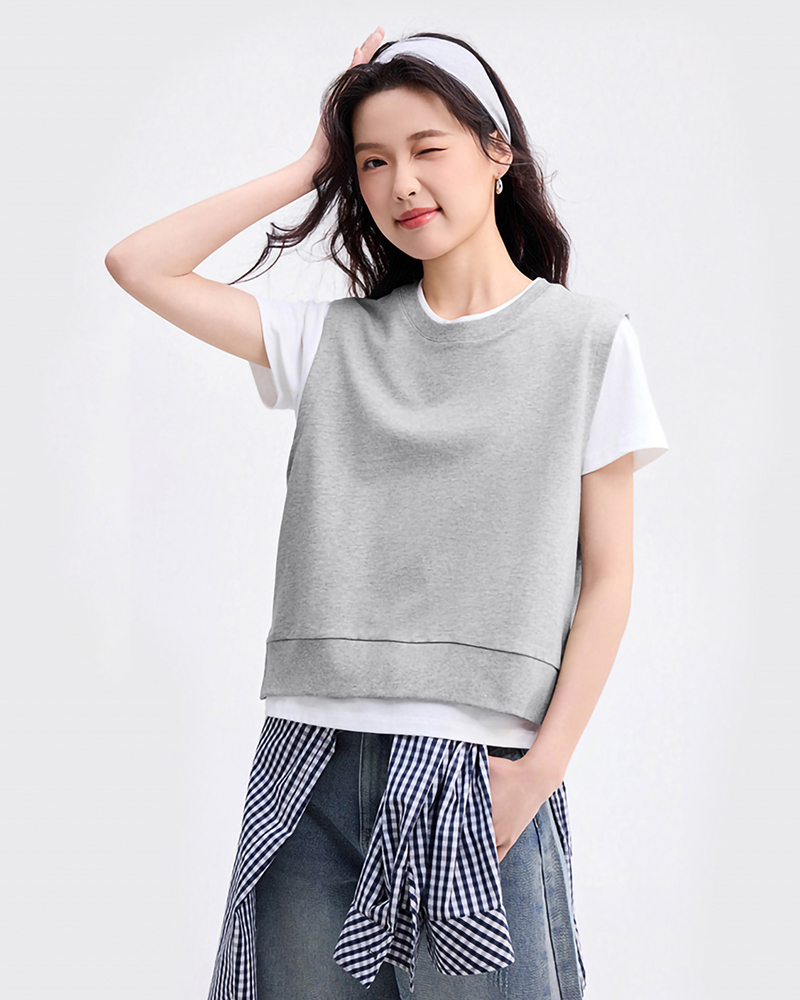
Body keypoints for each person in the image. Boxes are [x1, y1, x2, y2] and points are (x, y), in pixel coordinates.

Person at [105, 26, 669, 1000]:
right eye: (371, 162)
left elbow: (610, 577)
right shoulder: (334, 341)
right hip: (308, 763)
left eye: (426, 148)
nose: (400, 182)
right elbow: (137, 264)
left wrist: (537, 773)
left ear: (498, 152)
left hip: (474, 772)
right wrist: (308, 165)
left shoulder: (586, 342)